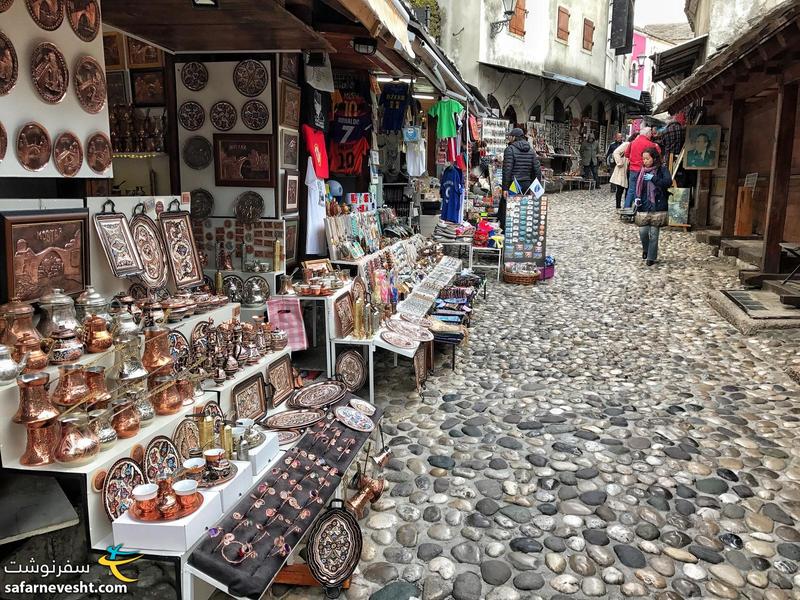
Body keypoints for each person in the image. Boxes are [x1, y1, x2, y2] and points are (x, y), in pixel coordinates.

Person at [634, 148, 671, 266]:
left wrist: (653, 179)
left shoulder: (662, 170)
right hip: (644, 204)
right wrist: (637, 197)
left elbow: (667, 182)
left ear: (654, 158)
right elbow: (637, 186)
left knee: (654, 233)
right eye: (643, 159)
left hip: (657, 204)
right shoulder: (642, 171)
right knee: (643, 231)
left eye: (647, 158)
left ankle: (651, 257)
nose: (644, 161)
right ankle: (646, 249)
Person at [501, 128, 543, 228]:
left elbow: (507, 170)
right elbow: (537, 170)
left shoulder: (510, 149)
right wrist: (536, 187)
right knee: (524, 209)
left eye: (510, 136)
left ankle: (507, 231)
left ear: (514, 137)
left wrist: (505, 188)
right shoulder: (531, 151)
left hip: (514, 184)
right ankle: (522, 230)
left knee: (509, 208)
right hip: (527, 184)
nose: (509, 138)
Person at [624, 126, 660, 209]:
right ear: (647, 134)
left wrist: (633, 158)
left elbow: (626, 154)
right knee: (641, 190)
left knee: (631, 189)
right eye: (651, 134)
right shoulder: (650, 144)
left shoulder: (632, 142)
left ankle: (626, 208)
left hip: (633, 169)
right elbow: (657, 154)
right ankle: (638, 209)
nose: (651, 135)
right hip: (644, 170)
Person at [610, 133, 636, 210]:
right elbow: (616, 152)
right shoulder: (627, 144)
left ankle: (626, 206)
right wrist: (619, 162)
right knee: (620, 188)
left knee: (628, 189)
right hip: (623, 168)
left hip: (630, 169)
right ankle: (618, 206)